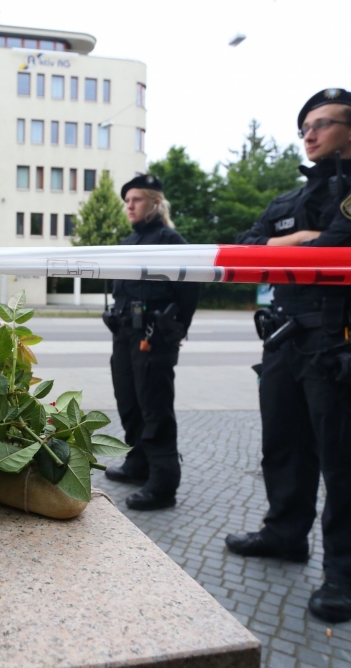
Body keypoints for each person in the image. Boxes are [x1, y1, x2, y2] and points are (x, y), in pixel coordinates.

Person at [225, 88, 351, 623]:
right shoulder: (287, 202)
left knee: (346, 463)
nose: (309, 134)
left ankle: (349, 577)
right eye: (305, 126)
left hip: (342, 341)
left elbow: (339, 248)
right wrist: (307, 238)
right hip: (285, 340)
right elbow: (243, 250)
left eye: (324, 124)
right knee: (283, 449)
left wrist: (293, 245)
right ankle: (285, 534)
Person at [103, 174, 200, 511]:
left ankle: (163, 483)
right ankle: (138, 464)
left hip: (153, 337)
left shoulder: (170, 241)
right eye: (127, 201)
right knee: (129, 402)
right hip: (124, 334)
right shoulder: (130, 242)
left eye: (137, 200)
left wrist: (175, 330)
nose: (129, 205)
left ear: (156, 203)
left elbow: (191, 288)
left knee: (155, 407)